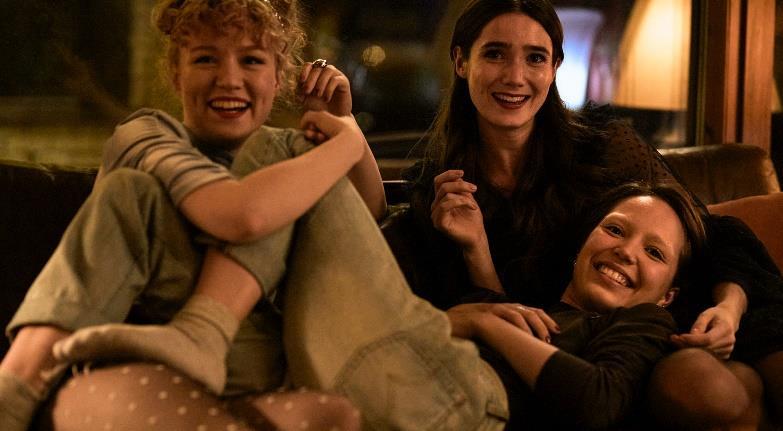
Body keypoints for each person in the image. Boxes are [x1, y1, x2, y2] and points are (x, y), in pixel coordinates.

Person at [0, 1, 507, 430]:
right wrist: (345, 144)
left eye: (251, 60)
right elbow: (242, 213)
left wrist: (340, 123)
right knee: (132, 189)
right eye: (205, 59)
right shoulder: (148, 135)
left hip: (300, 367)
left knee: (284, 158)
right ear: (175, 72)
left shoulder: (288, 151)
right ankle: (23, 379)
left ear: (278, 76)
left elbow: (368, 218)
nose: (229, 79)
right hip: (192, 366)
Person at [382, 0, 783, 428]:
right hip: (577, 366)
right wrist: (475, 249)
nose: (515, 76)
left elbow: (714, 233)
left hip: (685, 320)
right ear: (462, 61)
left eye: (535, 58)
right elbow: (506, 324)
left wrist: (729, 308)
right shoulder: (442, 191)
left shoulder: (603, 148)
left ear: (554, 67)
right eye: (495, 54)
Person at [446, 181, 707, 429]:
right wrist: (475, 246)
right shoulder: (530, 302)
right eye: (615, 230)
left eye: (654, 252)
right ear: (584, 243)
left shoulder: (647, 321)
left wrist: (481, 322)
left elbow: (599, 401)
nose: (626, 251)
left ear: (667, 297)